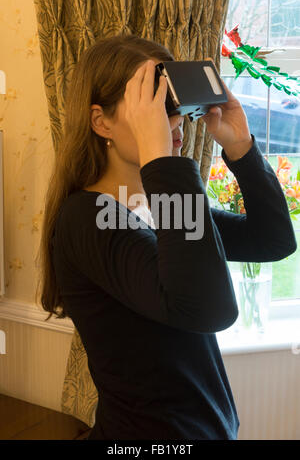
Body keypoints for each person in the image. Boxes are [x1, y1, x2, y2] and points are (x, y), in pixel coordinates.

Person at [36, 34, 297, 440]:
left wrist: (240, 146)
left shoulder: (155, 205)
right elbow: (210, 310)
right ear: (101, 121)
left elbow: (272, 240)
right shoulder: (88, 217)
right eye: (152, 106)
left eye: (170, 101)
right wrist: (161, 159)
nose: (173, 120)